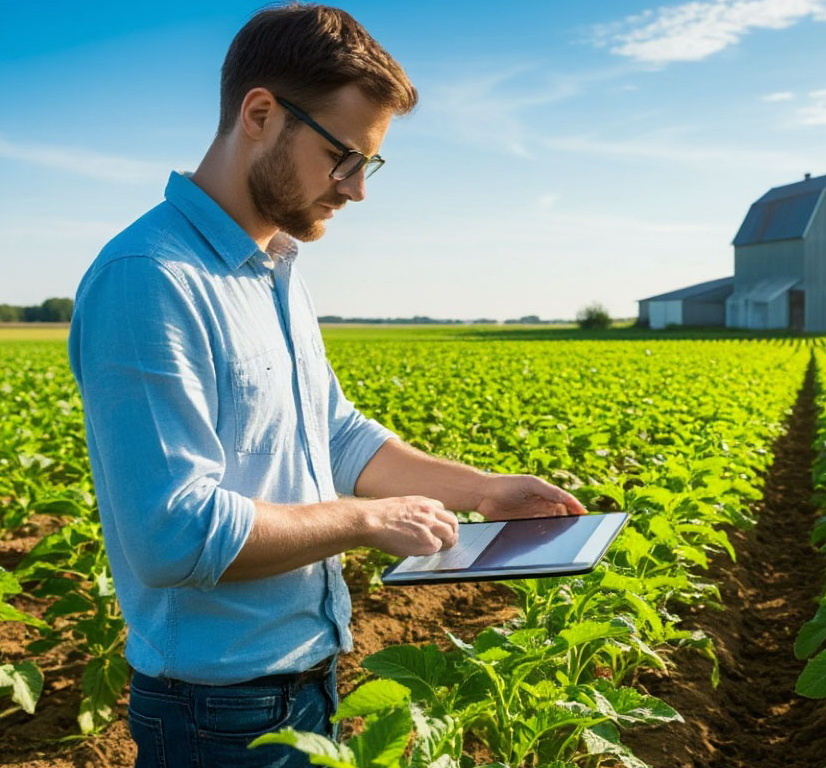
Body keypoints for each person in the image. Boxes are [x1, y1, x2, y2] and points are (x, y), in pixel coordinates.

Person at [67, 4, 586, 766]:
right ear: (260, 113)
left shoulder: (272, 266)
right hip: (217, 712)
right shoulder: (150, 279)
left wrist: (480, 491)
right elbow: (173, 535)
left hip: (303, 681)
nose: (355, 189)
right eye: (343, 157)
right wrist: (360, 522)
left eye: (367, 165)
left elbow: (335, 434)